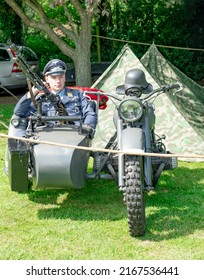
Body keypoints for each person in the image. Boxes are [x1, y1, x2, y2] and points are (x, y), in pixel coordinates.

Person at [5, 59, 97, 174]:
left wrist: (87, 127)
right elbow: (18, 112)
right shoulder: (40, 98)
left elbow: (90, 113)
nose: (58, 81)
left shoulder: (77, 95)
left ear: (64, 77)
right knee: (16, 120)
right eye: (54, 77)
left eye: (61, 76)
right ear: (46, 79)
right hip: (46, 136)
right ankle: (18, 165)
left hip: (74, 135)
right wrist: (34, 92)